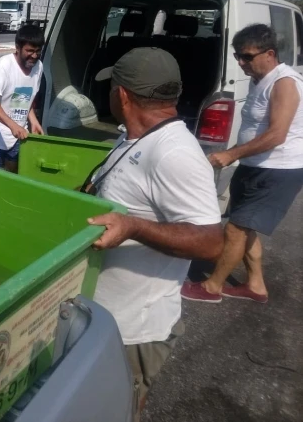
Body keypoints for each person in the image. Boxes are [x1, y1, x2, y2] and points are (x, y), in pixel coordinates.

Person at [84, 48, 224, 420]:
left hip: (133, 329)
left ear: (124, 95)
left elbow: (212, 242)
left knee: (120, 407)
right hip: (106, 316)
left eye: (113, 87)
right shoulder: (135, 137)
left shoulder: (173, 152)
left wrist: (134, 226)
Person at [182, 24, 303, 304]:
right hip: (255, 164)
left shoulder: (284, 82)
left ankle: (212, 287)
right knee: (243, 227)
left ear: (269, 53)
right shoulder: (259, 80)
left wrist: (232, 154)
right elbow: (256, 130)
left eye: (247, 57)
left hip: (278, 170)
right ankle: (256, 285)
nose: (240, 62)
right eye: (238, 56)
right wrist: (235, 152)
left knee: (236, 228)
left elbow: (276, 134)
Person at [0, 24, 45, 172]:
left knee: (14, 178)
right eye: (30, 51)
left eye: (38, 51)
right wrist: (13, 125)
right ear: (17, 48)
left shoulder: (38, 67)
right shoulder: (4, 65)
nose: (34, 56)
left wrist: (33, 121)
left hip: (18, 138)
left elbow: (24, 98)